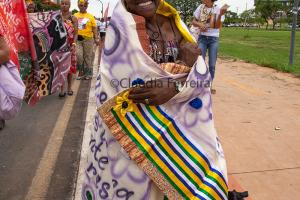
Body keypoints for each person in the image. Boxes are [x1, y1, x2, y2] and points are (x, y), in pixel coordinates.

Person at [80, 0, 245, 200]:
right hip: (135, 141)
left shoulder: (175, 23)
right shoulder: (121, 31)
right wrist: (181, 73)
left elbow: (201, 76)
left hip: (181, 134)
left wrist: (178, 81)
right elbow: (125, 89)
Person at [192, 0, 228, 94]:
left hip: (213, 39)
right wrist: (200, 24)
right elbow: (193, 21)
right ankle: (199, 86)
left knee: (212, 65)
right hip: (202, 38)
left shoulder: (218, 9)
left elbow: (219, 26)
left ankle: (209, 86)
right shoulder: (200, 7)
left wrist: (218, 17)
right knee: (200, 63)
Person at [74, 0, 100, 80]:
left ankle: (88, 73)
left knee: (87, 57)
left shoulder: (90, 16)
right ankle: (81, 71)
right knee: (79, 56)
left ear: (87, 6)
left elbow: (94, 28)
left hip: (88, 39)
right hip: (78, 39)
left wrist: (96, 38)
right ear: (78, 6)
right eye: (81, 5)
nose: (83, 7)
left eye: (85, 6)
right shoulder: (75, 15)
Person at [59, 0, 78, 97]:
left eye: (66, 4)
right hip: (60, 47)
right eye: (62, 3)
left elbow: (75, 33)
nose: (64, 5)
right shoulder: (57, 17)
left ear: (69, 5)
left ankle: (69, 88)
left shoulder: (73, 18)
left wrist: (74, 44)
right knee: (61, 69)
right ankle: (62, 90)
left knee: (70, 69)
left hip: (70, 46)